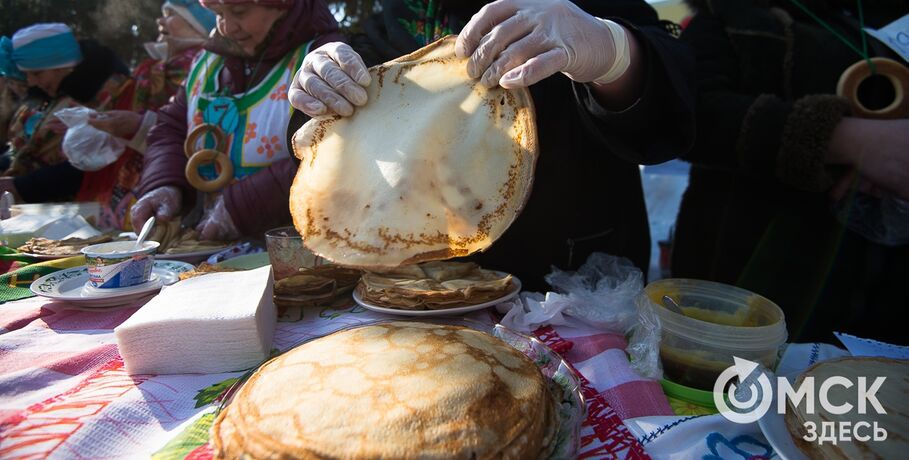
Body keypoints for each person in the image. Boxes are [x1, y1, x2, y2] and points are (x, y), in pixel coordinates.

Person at [288, 0, 696, 291]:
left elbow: (677, 104)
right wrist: (322, 87)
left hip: (571, 288)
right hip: (426, 291)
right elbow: (345, 114)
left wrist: (614, 53)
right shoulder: (403, 12)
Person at [672, 0, 909, 343]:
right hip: (753, 279)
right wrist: (845, 140)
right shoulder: (731, 13)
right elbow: (688, 115)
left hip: (888, 291)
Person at [132, 0, 344, 241]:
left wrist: (244, 207)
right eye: (218, 13)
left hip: (299, 252)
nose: (226, 27)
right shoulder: (207, 62)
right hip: (216, 254)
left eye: (239, 12)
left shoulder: (324, 59)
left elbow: (338, 149)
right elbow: (171, 128)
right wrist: (163, 184)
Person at [0, 23, 131, 206]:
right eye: (26, 75)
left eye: (36, 73)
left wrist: (23, 187)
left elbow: (96, 163)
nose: (31, 82)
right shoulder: (58, 93)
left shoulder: (110, 94)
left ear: (63, 64)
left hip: (97, 211)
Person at [88, 0, 216, 154]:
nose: (160, 20)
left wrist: (140, 126)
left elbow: (189, 128)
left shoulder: (203, 66)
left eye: (171, 14)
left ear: (197, 25)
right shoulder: (156, 66)